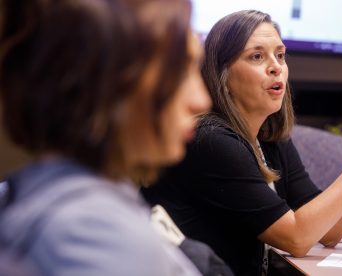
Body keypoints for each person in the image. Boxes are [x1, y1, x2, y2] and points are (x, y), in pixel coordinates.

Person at [142, 9, 342, 276]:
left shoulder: (270, 138)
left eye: (280, 55)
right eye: (257, 57)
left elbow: (328, 231)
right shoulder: (211, 141)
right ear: (222, 76)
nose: (276, 67)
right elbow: (297, 238)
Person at [0, 0, 212, 275]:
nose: (201, 101)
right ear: (110, 84)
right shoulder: (95, 235)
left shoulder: (32, 194)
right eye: (181, 72)